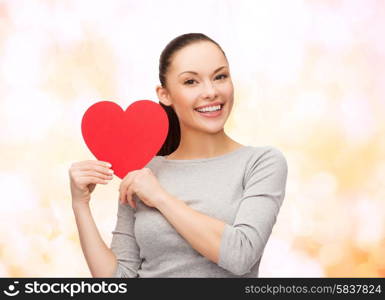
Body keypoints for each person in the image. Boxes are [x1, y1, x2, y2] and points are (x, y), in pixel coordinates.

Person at [69, 33, 288, 278]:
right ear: (165, 95)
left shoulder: (261, 163)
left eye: (220, 77)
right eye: (191, 82)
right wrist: (80, 204)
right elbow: (118, 280)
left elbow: (240, 255)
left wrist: (159, 196)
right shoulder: (142, 171)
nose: (211, 91)